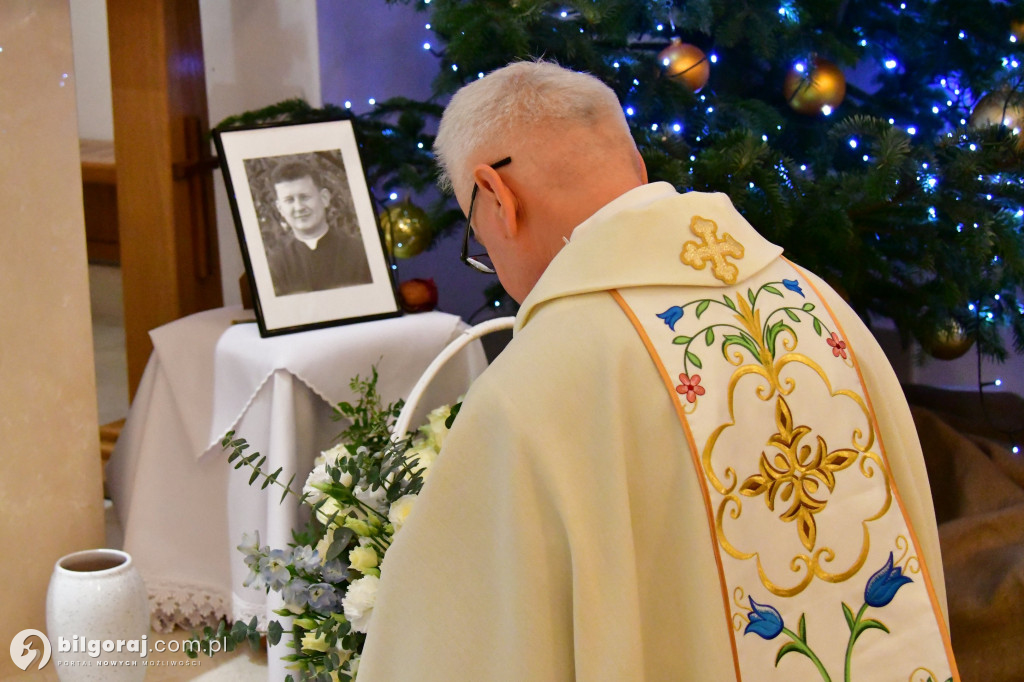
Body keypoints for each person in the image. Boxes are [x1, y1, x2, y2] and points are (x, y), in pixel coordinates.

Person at [358, 61, 959, 681]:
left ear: (497, 195)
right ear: (637, 169)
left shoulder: (539, 381)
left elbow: (452, 643)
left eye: (475, 233)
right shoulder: (815, 303)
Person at [262, 159, 371, 296]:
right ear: (280, 209)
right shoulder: (275, 266)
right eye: (289, 200)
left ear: (324, 198)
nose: (299, 207)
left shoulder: (361, 253)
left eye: (305, 197)